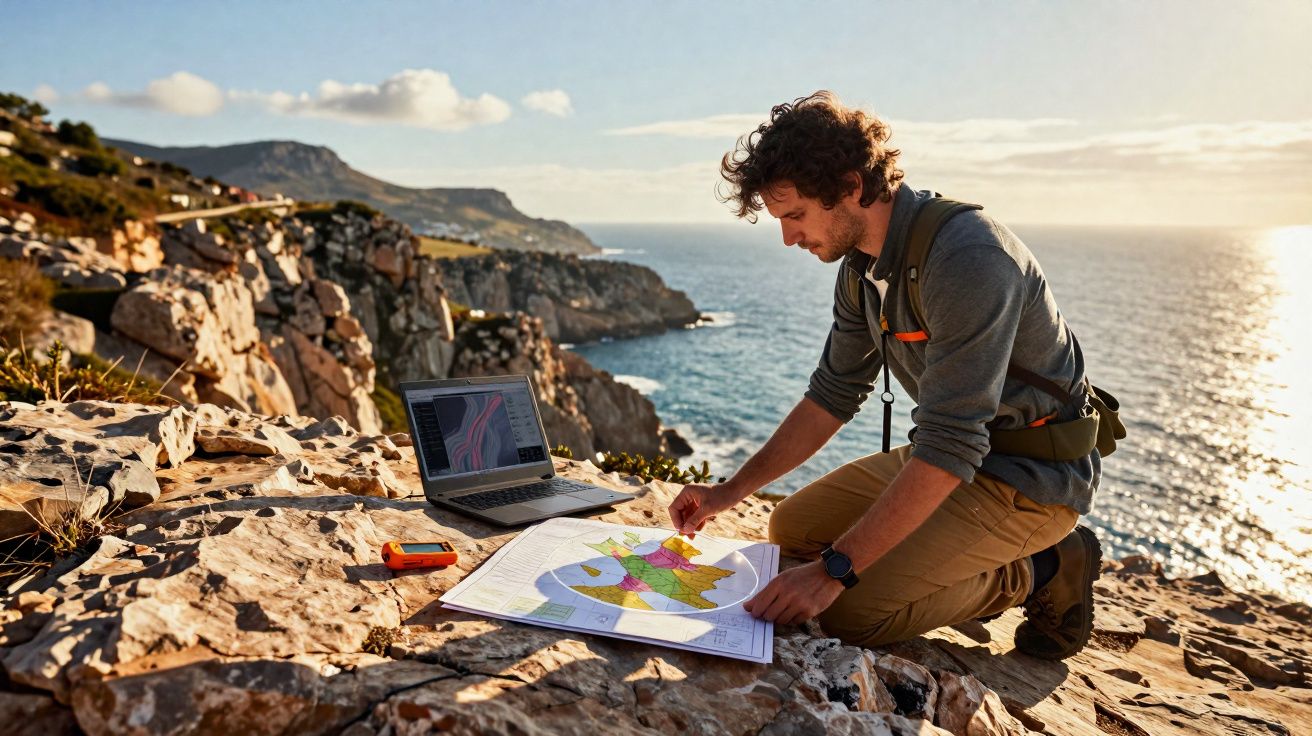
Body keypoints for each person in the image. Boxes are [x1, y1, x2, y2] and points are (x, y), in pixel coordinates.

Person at [668, 91, 1104, 660]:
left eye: (795, 215)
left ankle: (1041, 566)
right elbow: (832, 395)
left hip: (1032, 477)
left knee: (846, 610)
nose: (789, 238)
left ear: (851, 186)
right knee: (791, 531)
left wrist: (834, 572)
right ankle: (959, 556)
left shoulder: (968, 259)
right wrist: (726, 493)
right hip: (959, 457)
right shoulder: (860, 268)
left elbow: (950, 441)